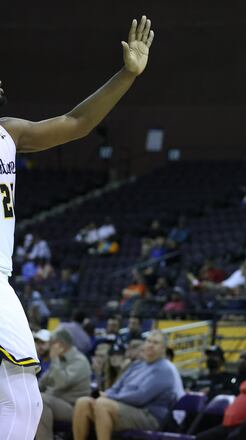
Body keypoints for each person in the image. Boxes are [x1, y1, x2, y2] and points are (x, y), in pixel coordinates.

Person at [0, 17, 154, 436]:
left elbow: (76, 123)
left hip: (2, 278)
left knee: (23, 401)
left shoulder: (9, 134)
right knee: (20, 398)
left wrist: (126, 74)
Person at [72, 330, 179, 440]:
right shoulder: (137, 365)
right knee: (83, 402)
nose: (151, 345)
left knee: (103, 404)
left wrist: (110, 397)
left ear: (163, 348)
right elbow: (115, 387)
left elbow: (140, 397)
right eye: (148, 341)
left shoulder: (165, 370)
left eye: (156, 343)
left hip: (150, 416)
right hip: (125, 409)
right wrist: (107, 395)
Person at [36, 329, 92, 440]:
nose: (50, 346)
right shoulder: (61, 359)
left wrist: (55, 359)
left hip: (73, 407)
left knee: (41, 400)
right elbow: (42, 383)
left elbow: (61, 383)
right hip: (56, 401)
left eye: (52, 343)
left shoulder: (80, 361)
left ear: (60, 344)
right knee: (33, 398)